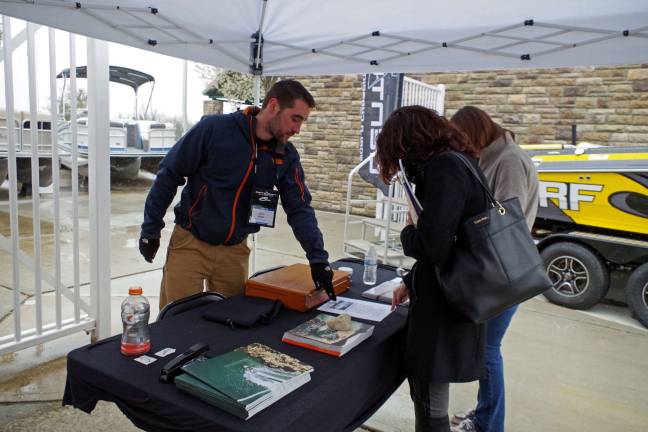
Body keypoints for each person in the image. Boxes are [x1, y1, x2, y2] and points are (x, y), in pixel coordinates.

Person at [139, 80, 335, 309]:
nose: (297, 129)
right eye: (296, 118)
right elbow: (169, 173)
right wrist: (150, 229)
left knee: (230, 323)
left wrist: (318, 257)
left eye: (302, 121)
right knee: (176, 323)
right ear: (273, 106)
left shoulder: (286, 155)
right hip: (191, 245)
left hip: (236, 251)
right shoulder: (214, 129)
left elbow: (299, 208)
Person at [377, 105, 489, 432]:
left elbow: (433, 246)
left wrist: (408, 230)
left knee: (430, 401)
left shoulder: (443, 169)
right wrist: (412, 279)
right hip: (460, 293)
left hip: (445, 306)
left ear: (407, 142)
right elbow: (452, 239)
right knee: (432, 397)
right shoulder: (462, 161)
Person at [449, 106, 539, 432]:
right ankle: (485, 414)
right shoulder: (500, 157)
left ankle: (490, 424)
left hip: (504, 273)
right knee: (485, 348)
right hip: (499, 269)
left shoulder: (509, 161)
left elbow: (505, 221)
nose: (461, 148)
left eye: (463, 140)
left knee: (487, 350)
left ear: (477, 132)